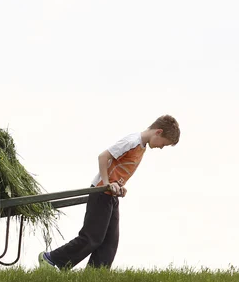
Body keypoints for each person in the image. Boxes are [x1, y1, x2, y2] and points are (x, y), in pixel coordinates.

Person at [39, 115, 180, 270]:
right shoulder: (131, 141)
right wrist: (106, 184)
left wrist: (119, 186)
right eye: (164, 144)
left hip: (111, 195)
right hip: (100, 192)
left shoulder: (142, 146)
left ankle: (95, 274)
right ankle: (51, 259)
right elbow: (103, 156)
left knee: (110, 241)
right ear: (158, 132)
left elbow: (118, 169)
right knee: (92, 237)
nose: (161, 147)